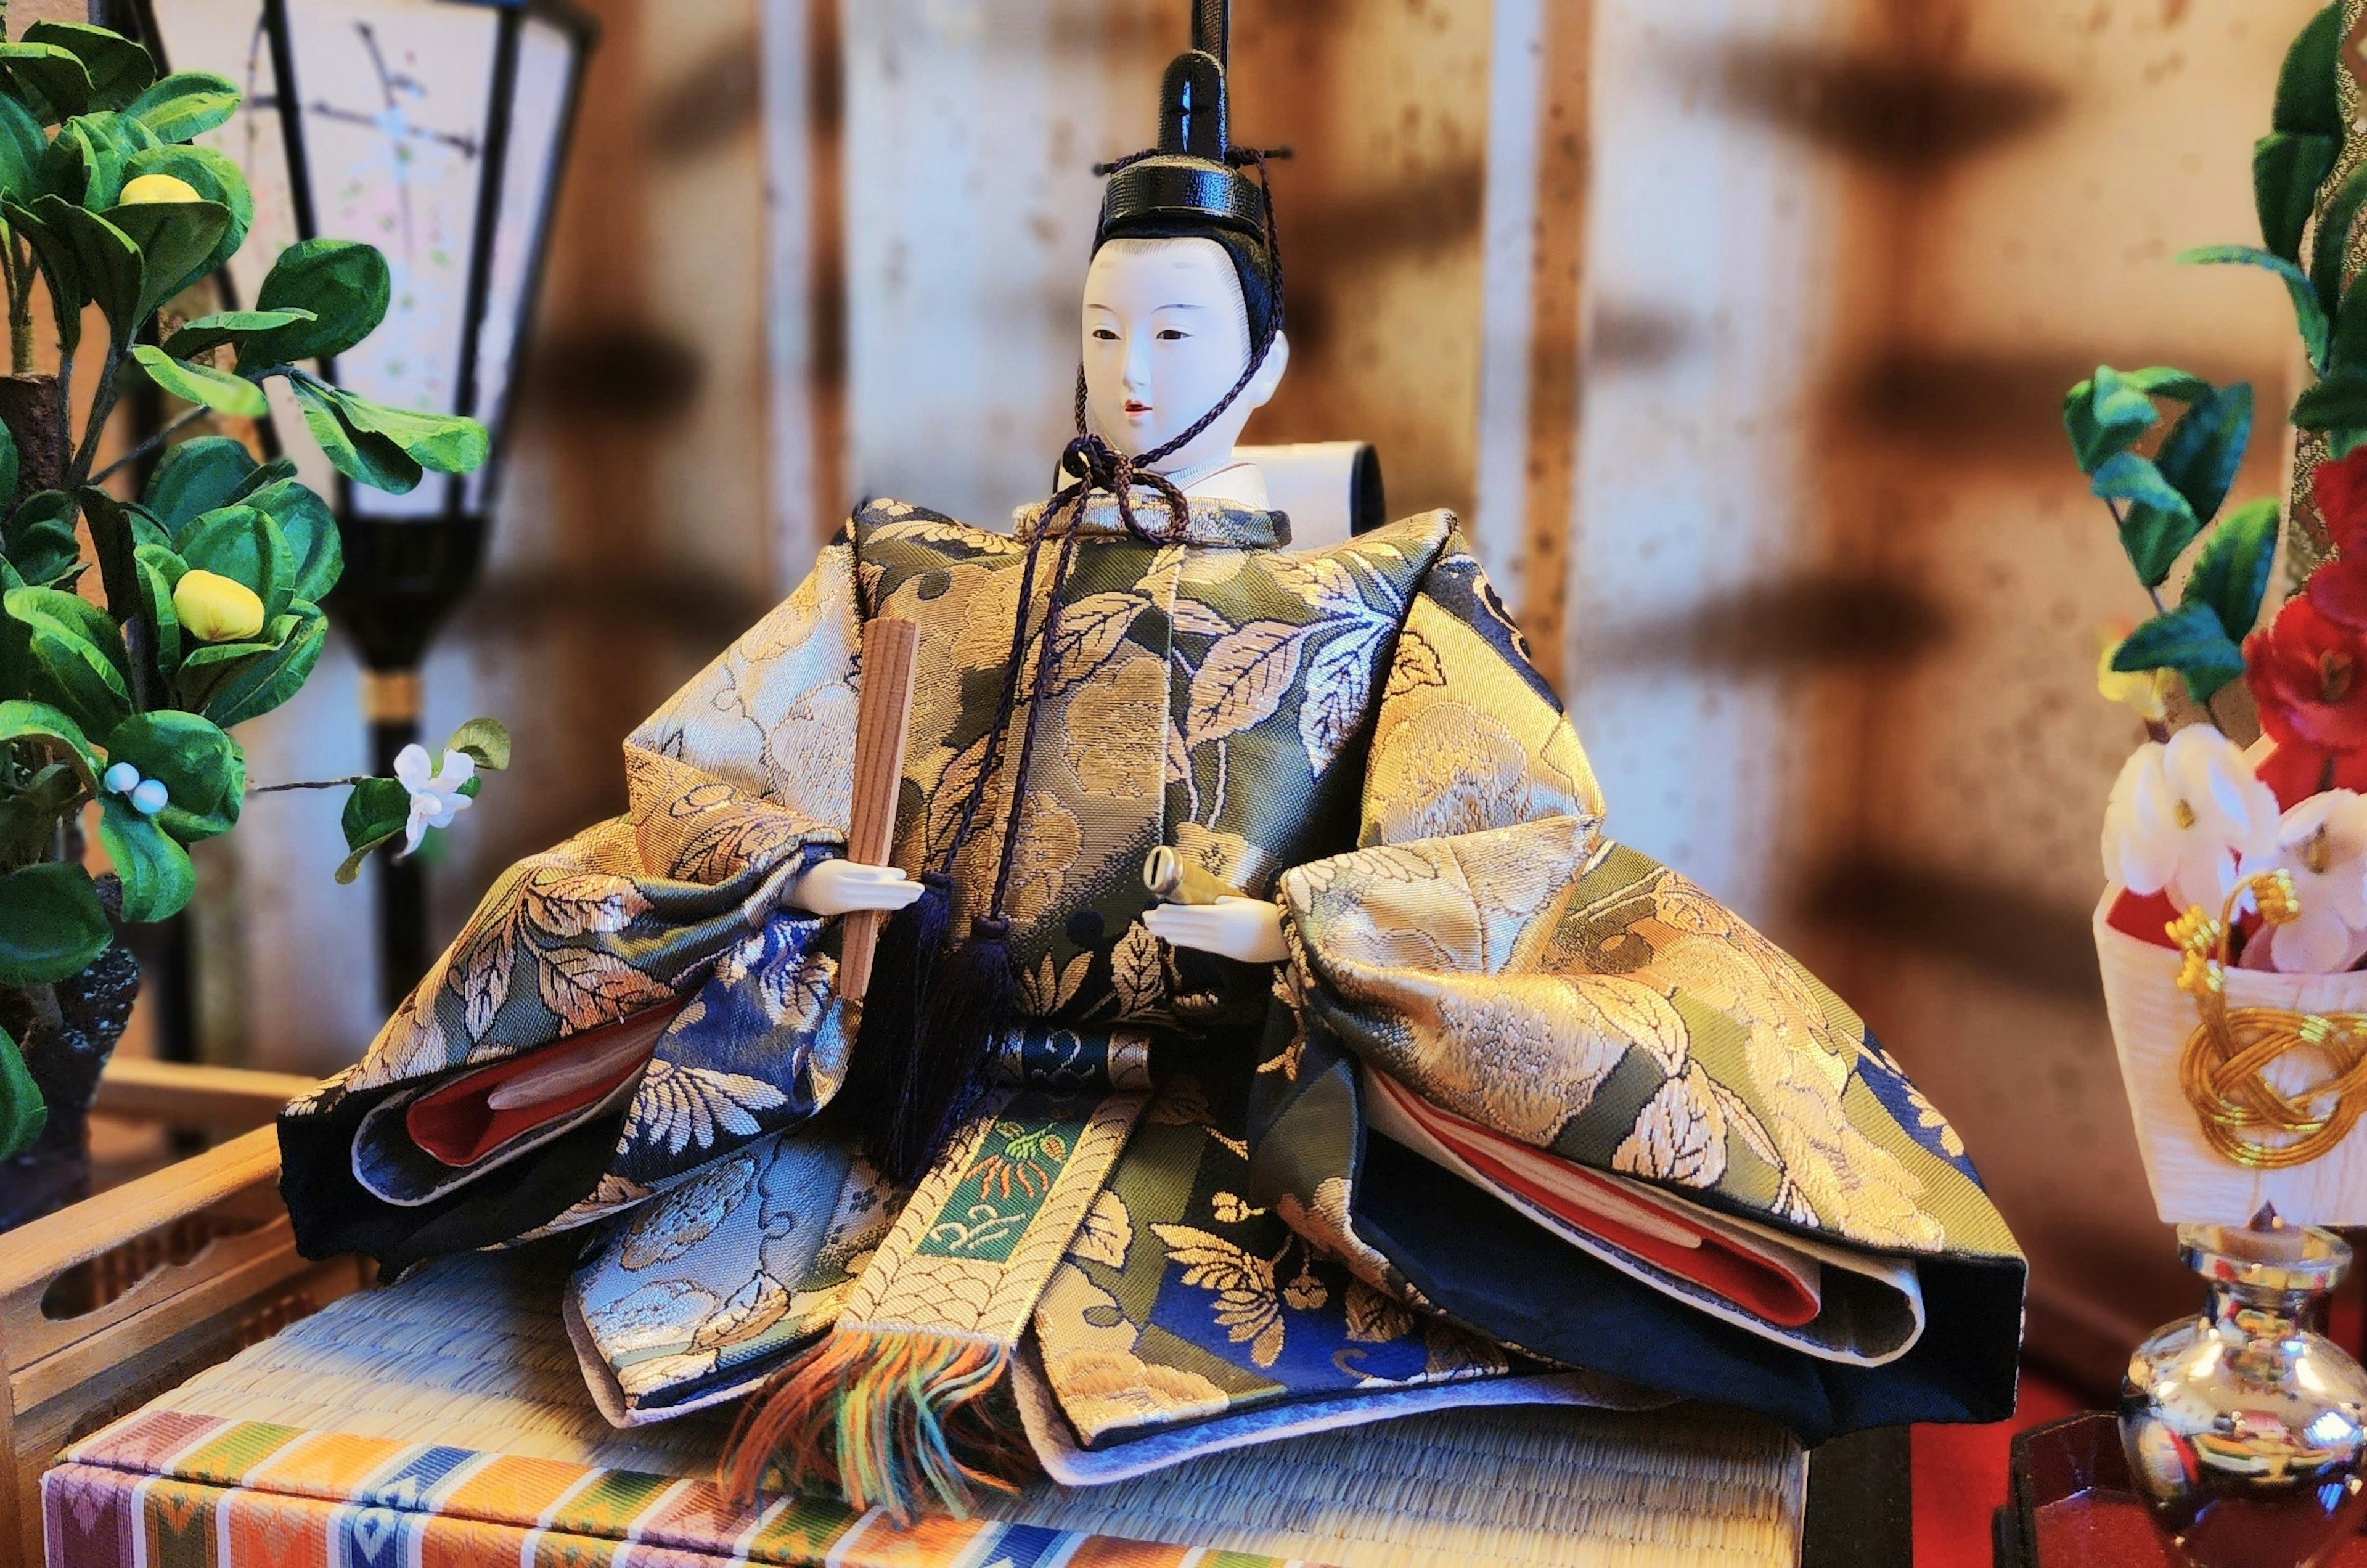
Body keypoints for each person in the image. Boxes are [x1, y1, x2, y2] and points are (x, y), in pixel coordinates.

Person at [279, 12, 2023, 1523]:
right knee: (592, 951)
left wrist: (1325, 931)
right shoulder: (923, 561)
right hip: (914, 1081)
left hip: (1226, 1099)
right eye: (1107, 334)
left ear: (1261, 362)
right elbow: (711, 744)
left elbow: (1514, 817)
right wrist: (796, 868)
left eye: (1179, 340)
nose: (1133, 375)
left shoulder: (1387, 580)